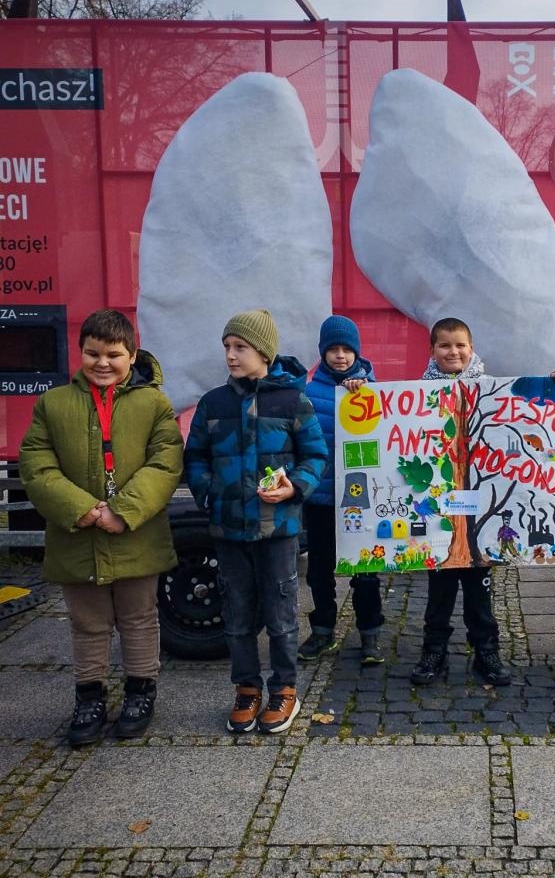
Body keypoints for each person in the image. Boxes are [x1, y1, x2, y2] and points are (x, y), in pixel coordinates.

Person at [19, 308, 184, 745]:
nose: (103, 363)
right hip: (77, 535)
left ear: (132, 355)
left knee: (139, 618)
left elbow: (165, 462)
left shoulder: (154, 404)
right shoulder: (53, 404)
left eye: (113, 354)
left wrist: (123, 511)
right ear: (81, 352)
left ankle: (140, 692)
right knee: (87, 622)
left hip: (136, 534)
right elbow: (37, 464)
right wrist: (83, 509)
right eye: (93, 353)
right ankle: (89, 696)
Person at [185, 309, 327, 735]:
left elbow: (314, 455)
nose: (231, 355)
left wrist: (294, 487)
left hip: (277, 530)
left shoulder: (292, 401)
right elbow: (195, 456)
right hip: (228, 529)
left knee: (282, 614)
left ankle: (284, 690)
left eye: (240, 347)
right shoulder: (214, 403)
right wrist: (208, 492)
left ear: (264, 352)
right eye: (227, 347)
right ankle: (246, 688)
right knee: (237, 614)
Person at [411, 317, 511, 688]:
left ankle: (486, 649)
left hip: (477, 506)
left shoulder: (491, 390)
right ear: (432, 350)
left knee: (478, 589)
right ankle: (433, 649)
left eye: (460, 345)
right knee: (439, 589)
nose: (453, 352)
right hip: (441, 505)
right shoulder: (417, 395)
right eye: (445, 345)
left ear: (471, 349)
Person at [299, 315, 385, 666]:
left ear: (356, 352)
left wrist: (363, 391)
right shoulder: (309, 392)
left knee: (365, 570)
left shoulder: (372, 389)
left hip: (359, 499)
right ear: (322, 352)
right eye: (332, 349)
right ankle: (322, 630)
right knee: (319, 570)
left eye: (346, 349)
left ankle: (370, 634)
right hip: (320, 498)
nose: (340, 356)